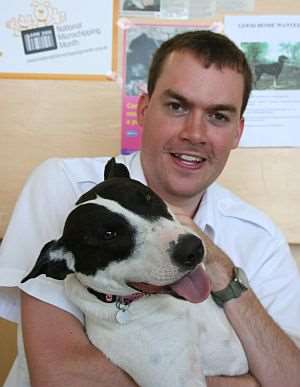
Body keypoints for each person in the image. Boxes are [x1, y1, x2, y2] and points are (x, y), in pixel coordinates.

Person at [0, 30, 299, 387]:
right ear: (143, 109)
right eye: (177, 106)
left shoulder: (257, 235)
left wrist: (220, 270)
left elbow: (290, 377)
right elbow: (62, 376)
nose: (195, 133)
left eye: (218, 116)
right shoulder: (65, 187)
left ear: (238, 132)